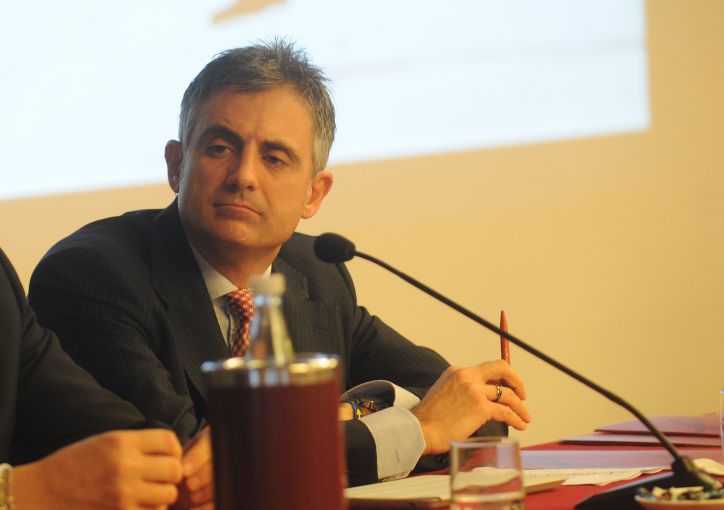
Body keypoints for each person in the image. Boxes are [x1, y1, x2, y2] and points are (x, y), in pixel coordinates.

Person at [28, 40, 531, 486]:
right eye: (220, 148)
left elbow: (475, 413)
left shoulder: (315, 273)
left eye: (274, 158)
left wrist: (351, 416)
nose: (244, 176)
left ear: (314, 193)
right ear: (177, 165)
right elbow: (193, 469)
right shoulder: (91, 278)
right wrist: (416, 428)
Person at [0, 247, 201, 509]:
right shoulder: (93, 269)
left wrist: (187, 464)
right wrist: (16, 492)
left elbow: (66, 402)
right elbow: (41, 489)